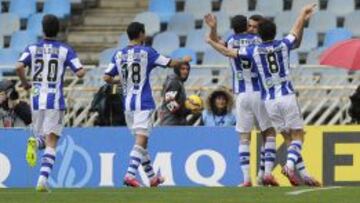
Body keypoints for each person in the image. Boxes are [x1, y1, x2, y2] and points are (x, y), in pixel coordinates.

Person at [206, 3, 321, 187]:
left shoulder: (250, 49)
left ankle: (293, 174)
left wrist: (211, 38)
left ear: (259, 31)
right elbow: (294, 35)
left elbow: (226, 50)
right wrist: (302, 15)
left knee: (268, 137)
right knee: (290, 136)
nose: (252, 28)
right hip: (277, 95)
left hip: (262, 98)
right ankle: (277, 170)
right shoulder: (279, 44)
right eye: (250, 25)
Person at [103, 22, 191, 187]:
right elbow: (169, 63)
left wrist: (122, 81)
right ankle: (130, 174)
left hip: (128, 105)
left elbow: (107, 78)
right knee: (141, 141)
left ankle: (152, 178)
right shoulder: (147, 52)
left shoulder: (118, 54)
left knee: (142, 142)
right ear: (141, 34)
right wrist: (183, 61)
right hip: (143, 103)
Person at [204, 14, 278, 186]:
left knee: (244, 137)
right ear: (246, 26)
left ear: (232, 27)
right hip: (260, 92)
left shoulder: (230, 41)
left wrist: (213, 30)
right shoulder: (258, 40)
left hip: (241, 95)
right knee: (268, 133)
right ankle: (266, 173)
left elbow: (219, 44)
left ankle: (246, 179)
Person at [16, 14, 86, 192]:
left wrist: (25, 84)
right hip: (54, 99)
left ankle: (35, 142)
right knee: (52, 141)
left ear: (42, 29)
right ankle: (42, 180)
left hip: (36, 97)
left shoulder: (32, 48)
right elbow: (80, 73)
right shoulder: (65, 49)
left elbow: (18, 66)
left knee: (43, 138)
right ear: (59, 30)